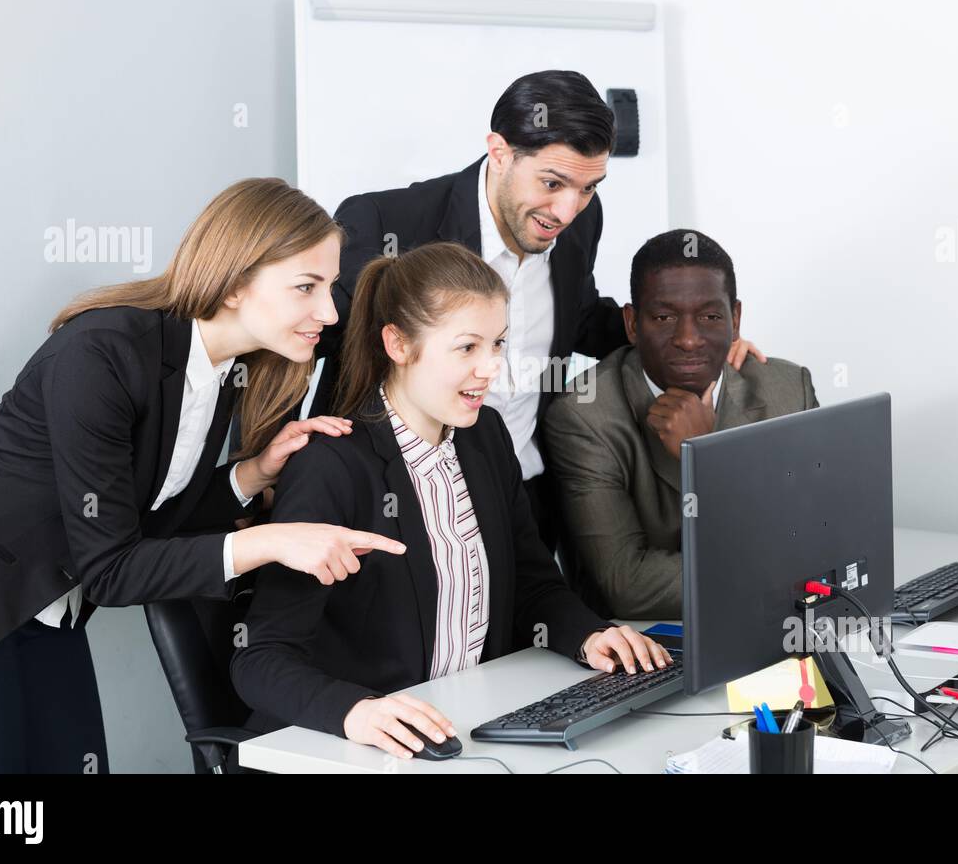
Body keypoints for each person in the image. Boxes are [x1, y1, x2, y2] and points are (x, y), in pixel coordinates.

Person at [0, 178, 405, 773]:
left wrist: (249, 475)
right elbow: (111, 568)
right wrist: (270, 542)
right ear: (237, 282)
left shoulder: (216, 370)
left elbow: (145, 517)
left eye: (329, 286)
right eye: (306, 287)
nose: (330, 311)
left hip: (47, 601)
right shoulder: (102, 354)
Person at [231, 242, 671, 760]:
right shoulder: (333, 465)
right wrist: (358, 711)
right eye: (467, 348)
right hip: (361, 749)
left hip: (468, 727)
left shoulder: (484, 434)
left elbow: (532, 585)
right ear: (397, 344)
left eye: (498, 344)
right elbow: (260, 659)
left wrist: (588, 636)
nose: (491, 369)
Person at [305, 69, 765, 550]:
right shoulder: (388, 221)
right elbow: (308, 337)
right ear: (499, 152)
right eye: (552, 182)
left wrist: (701, 342)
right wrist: (272, 463)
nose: (567, 212)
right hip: (397, 498)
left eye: (588, 188)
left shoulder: (580, 222)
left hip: (521, 496)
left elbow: (579, 317)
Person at [545, 229, 819, 619]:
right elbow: (626, 584)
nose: (688, 340)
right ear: (632, 323)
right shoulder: (583, 417)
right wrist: (781, 571)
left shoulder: (788, 390)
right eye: (664, 317)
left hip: (775, 629)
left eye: (709, 316)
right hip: (645, 647)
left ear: (735, 318)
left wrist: (710, 453)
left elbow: (815, 535)